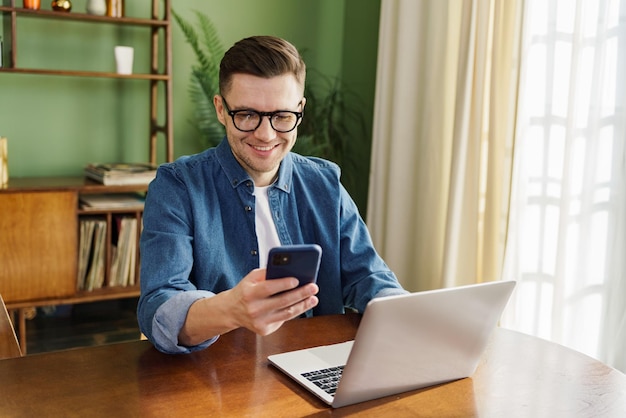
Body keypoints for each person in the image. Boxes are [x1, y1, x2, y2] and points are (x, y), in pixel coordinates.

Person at [137, 35, 406, 354]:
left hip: (315, 367)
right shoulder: (177, 186)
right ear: (221, 109)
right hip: (217, 383)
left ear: (300, 110)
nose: (265, 135)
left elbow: (368, 276)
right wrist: (229, 310)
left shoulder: (325, 182)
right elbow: (157, 307)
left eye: (281, 117)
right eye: (247, 115)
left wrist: (410, 316)